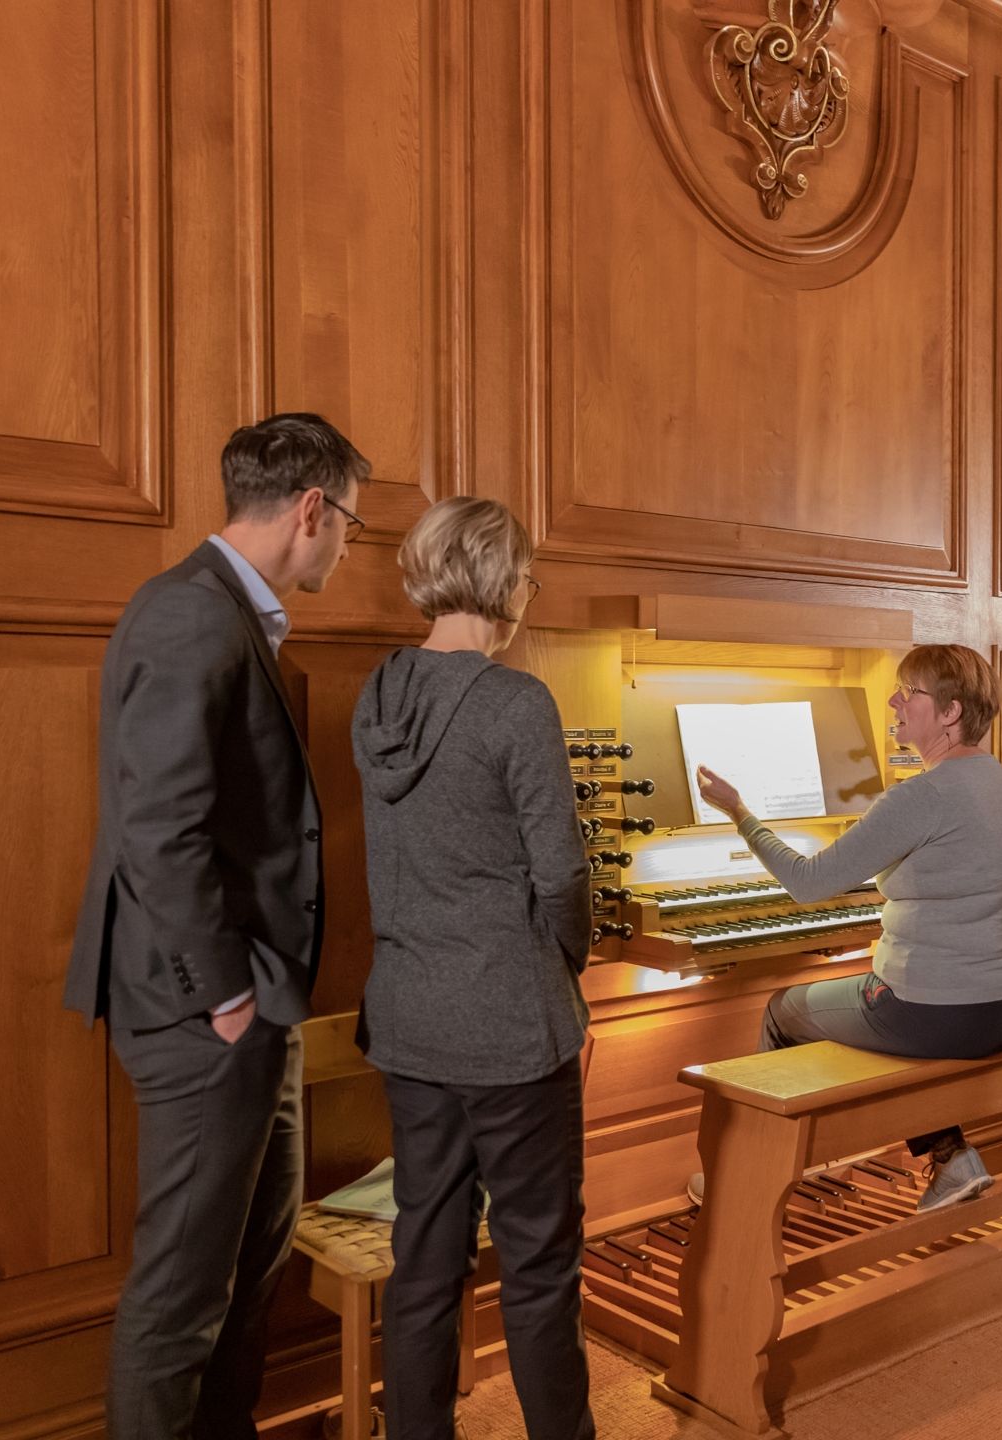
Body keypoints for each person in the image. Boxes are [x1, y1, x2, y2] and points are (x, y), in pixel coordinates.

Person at [64, 413, 368, 1440]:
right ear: (311, 511)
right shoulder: (192, 615)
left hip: (248, 1001)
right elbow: (160, 830)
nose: (346, 549)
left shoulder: (221, 611)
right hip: (203, 1008)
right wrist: (227, 999)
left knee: (250, 1265)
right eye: (350, 528)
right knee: (183, 1293)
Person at [354, 496, 595, 1440]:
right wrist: (564, 980)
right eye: (527, 577)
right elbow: (564, 872)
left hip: (409, 1021)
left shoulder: (378, 695)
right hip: (508, 1027)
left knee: (425, 1254)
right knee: (538, 1264)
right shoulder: (514, 700)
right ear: (503, 583)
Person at [691, 643, 1002, 1213]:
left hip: (949, 1012)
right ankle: (951, 1156)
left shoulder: (922, 794)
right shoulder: (1000, 782)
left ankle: (746, 1186)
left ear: (950, 712)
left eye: (909, 692)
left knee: (784, 1009)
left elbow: (807, 883)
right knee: (878, 999)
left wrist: (740, 813)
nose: (893, 700)